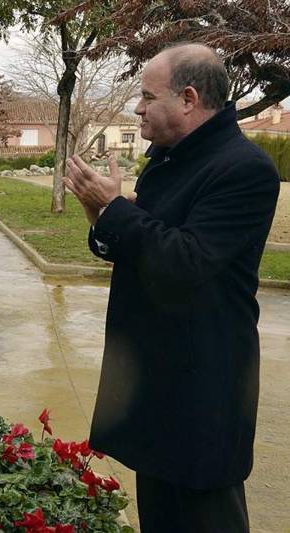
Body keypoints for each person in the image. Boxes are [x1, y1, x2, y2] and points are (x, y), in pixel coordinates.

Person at [63, 43, 279, 532]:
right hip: (157, 382)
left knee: (206, 516)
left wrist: (119, 211)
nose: (137, 107)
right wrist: (101, 215)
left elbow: (186, 261)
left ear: (187, 98)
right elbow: (142, 247)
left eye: (146, 96)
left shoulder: (243, 169)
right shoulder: (169, 157)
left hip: (203, 388)